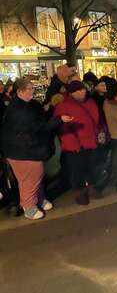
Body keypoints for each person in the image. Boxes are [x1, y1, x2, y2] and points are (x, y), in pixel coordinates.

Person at [1, 78, 72, 219]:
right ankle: (29, 206)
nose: (32, 91)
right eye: (30, 89)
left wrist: (46, 111)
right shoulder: (19, 110)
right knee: (30, 179)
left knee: (36, 177)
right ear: (20, 91)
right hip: (23, 151)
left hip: (27, 148)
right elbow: (40, 127)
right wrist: (59, 120)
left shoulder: (26, 105)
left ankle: (39, 199)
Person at [54, 80, 101, 205]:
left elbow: (95, 121)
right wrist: (73, 144)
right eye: (79, 90)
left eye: (83, 89)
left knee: (91, 167)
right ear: (72, 93)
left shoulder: (91, 102)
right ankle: (79, 192)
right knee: (77, 171)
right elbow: (62, 128)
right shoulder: (64, 105)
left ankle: (91, 187)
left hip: (90, 141)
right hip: (75, 145)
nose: (83, 91)